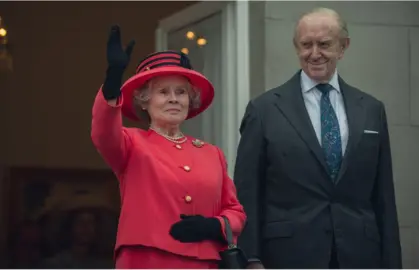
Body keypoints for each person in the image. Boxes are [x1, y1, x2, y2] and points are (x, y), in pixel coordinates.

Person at [234, 7, 402, 269]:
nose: (314, 54)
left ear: (343, 47)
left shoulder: (371, 109)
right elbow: (247, 190)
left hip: (360, 256)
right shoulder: (264, 109)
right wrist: (250, 258)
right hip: (287, 256)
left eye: (324, 44)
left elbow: (384, 197)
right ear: (296, 47)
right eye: (305, 45)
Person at [91, 25, 246, 269]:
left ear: (190, 100)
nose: (174, 98)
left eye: (181, 92)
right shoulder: (131, 144)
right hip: (147, 260)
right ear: (145, 101)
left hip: (204, 263)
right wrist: (112, 80)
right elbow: (102, 133)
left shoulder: (211, 154)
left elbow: (235, 211)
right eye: (163, 92)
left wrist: (215, 226)